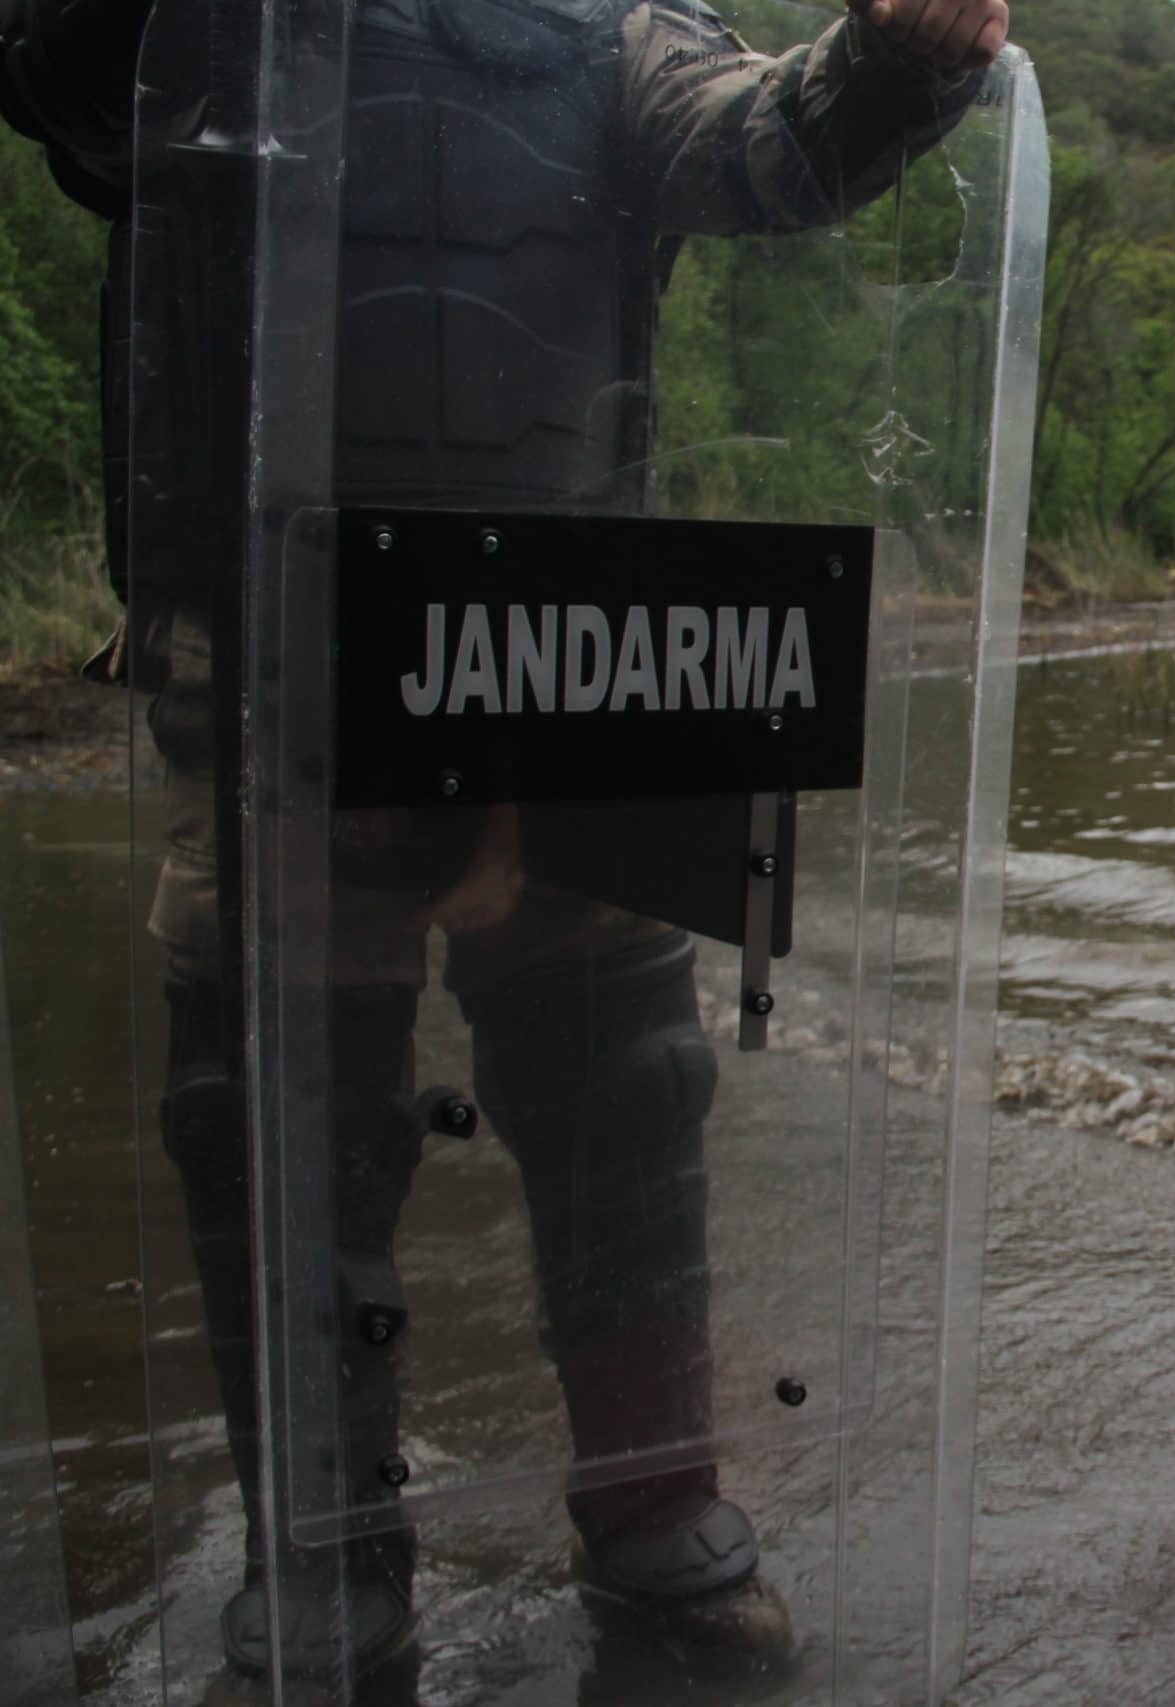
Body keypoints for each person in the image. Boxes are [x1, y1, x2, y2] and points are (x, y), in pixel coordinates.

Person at [0, 0, 1011, 1690]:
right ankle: (325, 1545)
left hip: (560, 645)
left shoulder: (605, 37)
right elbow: (70, 78)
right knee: (275, 1100)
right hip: (266, 642)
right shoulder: (206, 20)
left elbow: (763, 146)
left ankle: (653, 1504)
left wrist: (903, 55)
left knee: (624, 1078)